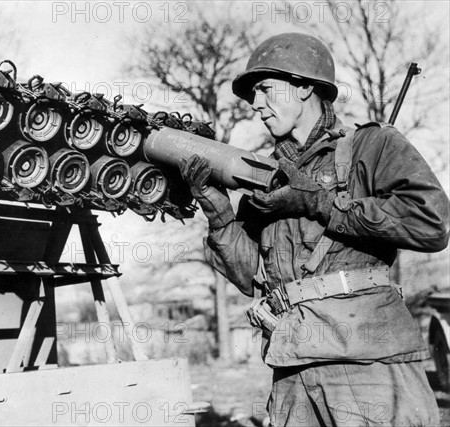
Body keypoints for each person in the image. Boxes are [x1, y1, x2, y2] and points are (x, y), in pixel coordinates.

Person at [178, 32, 450, 426]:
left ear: (304, 87)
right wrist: (219, 212)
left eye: (266, 90)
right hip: (292, 366)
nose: (256, 105)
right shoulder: (266, 177)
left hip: (364, 360)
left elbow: (431, 224)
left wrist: (319, 202)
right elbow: (249, 275)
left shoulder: (369, 146)